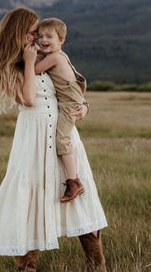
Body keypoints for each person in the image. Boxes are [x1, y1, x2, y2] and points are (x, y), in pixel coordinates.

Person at [0, 7, 108, 272]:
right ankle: (26, 266)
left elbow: (67, 85)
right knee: (30, 199)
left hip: (63, 134)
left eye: (40, 33)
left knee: (78, 195)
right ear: (19, 34)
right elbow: (29, 99)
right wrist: (29, 63)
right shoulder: (10, 65)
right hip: (33, 137)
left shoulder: (48, 56)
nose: (37, 38)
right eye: (33, 32)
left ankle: (96, 266)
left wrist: (84, 105)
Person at [34, 18, 88, 203]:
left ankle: (74, 182)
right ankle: (74, 180)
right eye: (40, 36)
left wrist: (26, 57)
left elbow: (34, 69)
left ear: (61, 40)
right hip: (70, 100)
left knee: (62, 139)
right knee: (62, 137)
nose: (43, 40)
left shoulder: (55, 57)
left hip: (68, 104)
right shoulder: (57, 55)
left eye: (49, 36)